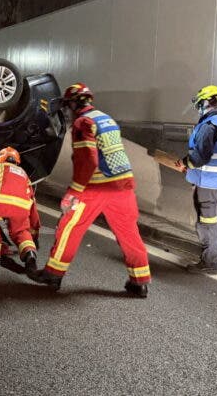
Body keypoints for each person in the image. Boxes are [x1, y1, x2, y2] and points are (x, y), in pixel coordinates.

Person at [28, 83, 151, 297]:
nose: (67, 111)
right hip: (123, 186)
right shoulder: (106, 118)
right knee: (130, 234)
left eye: (67, 106)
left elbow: (88, 160)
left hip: (96, 186)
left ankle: (53, 274)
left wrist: (73, 192)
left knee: (69, 226)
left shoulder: (83, 122)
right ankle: (139, 282)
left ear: (73, 103)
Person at [175, 85, 217, 275]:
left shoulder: (208, 127)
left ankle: (211, 262)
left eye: (199, 104)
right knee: (212, 207)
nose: (199, 108)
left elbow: (199, 157)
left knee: (207, 220)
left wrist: (184, 164)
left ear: (205, 102)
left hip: (208, 179)